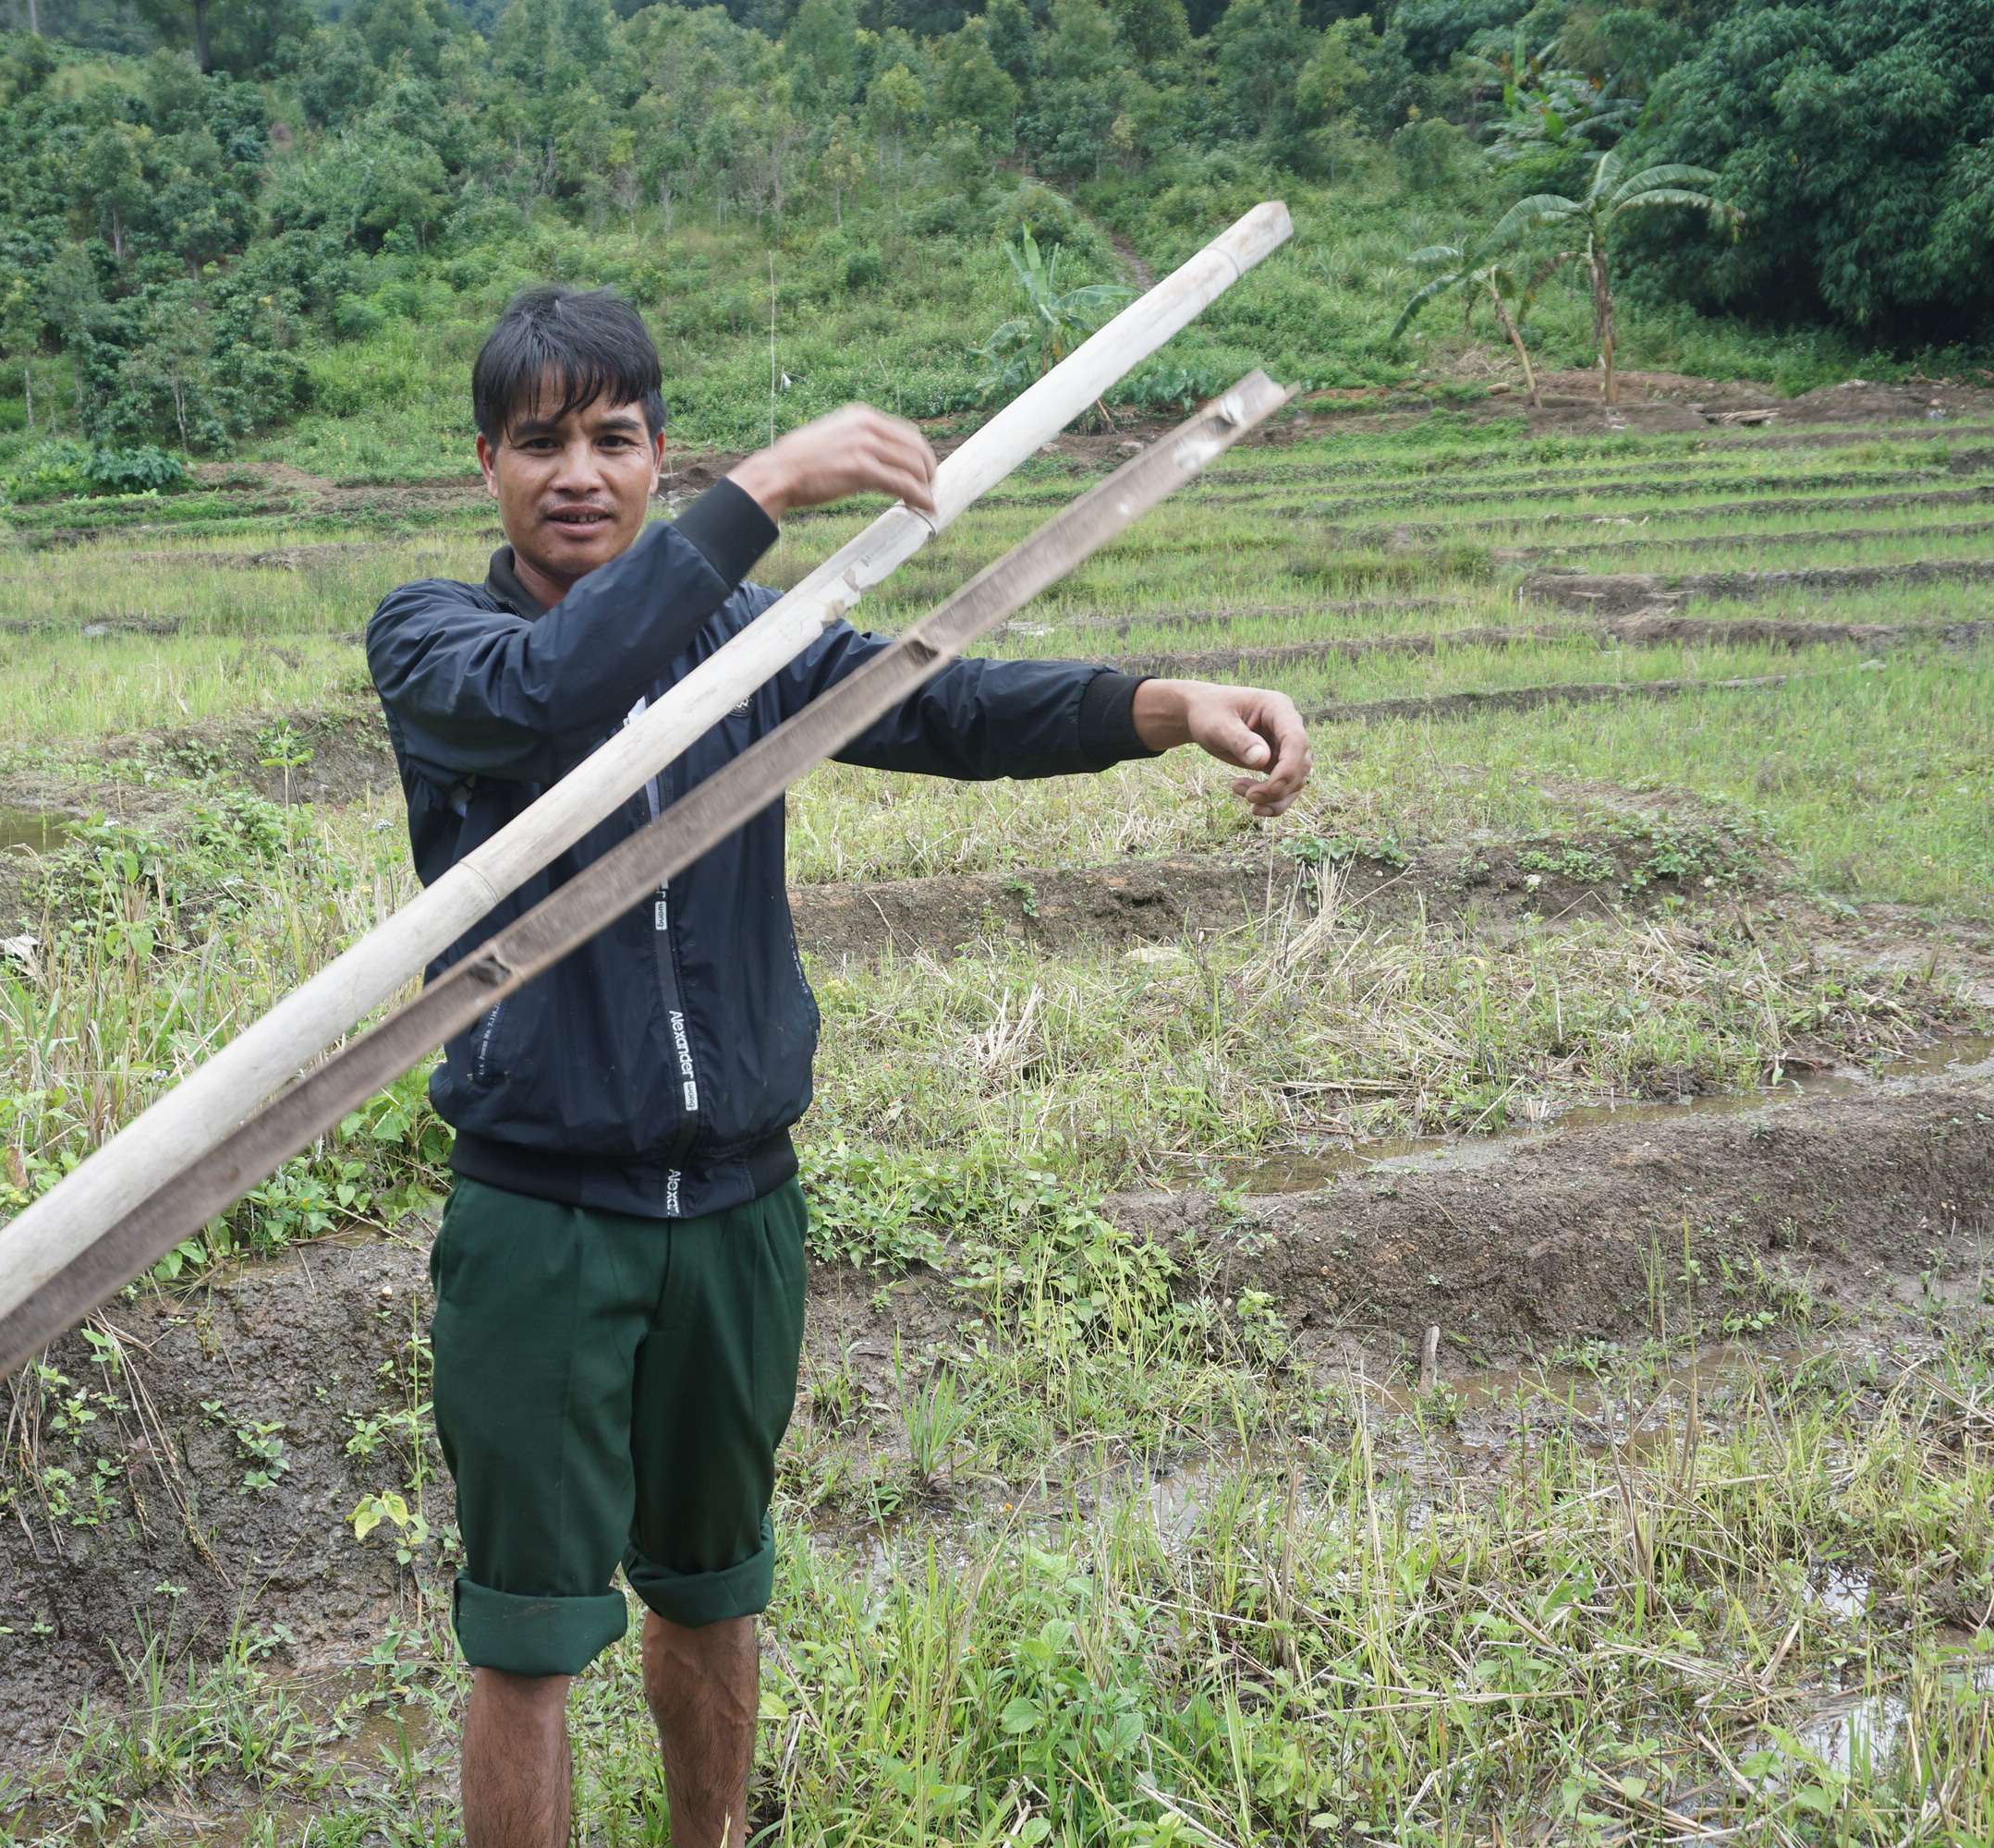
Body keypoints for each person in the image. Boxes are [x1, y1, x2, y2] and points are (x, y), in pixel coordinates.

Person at [365, 285, 1308, 1847]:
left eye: (616, 438)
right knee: (528, 1632)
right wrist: (771, 492)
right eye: (542, 444)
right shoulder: (435, 641)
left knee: (713, 1585)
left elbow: (937, 704)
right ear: (487, 466)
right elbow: (559, 693)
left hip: (738, 1210)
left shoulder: (743, 638)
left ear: (659, 454)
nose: (580, 473)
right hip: (544, 1216)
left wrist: (1162, 706)